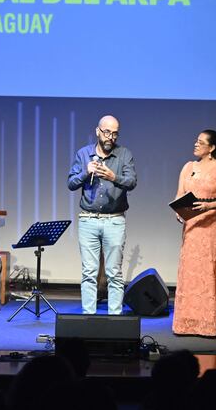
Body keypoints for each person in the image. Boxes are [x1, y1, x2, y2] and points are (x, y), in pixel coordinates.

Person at [67, 115, 137, 315]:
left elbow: (132, 181)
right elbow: (71, 184)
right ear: (98, 131)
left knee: (114, 273)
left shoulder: (124, 154)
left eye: (115, 133)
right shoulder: (83, 154)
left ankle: (114, 318)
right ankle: (88, 317)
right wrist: (84, 172)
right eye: (107, 132)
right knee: (89, 273)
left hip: (114, 220)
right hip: (88, 220)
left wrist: (113, 176)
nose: (111, 137)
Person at [172, 129, 216, 336]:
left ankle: (212, 324)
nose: (196, 144)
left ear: (212, 148)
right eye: (196, 141)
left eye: (201, 142)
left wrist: (209, 207)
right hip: (192, 228)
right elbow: (180, 195)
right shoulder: (188, 167)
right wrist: (179, 213)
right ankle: (188, 322)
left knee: (209, 273)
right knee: (192, 275)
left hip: (211, 228)